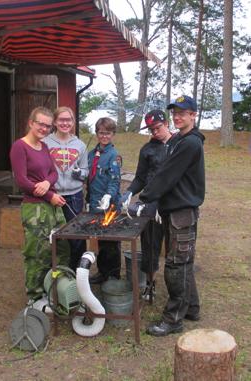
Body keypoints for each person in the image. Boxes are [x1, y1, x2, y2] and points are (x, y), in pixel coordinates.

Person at [123, 95, 205, 337]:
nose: (178, 116)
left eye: (183, 112)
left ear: (193, 115)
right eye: (175, 113)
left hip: (182, 212)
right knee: (184, 263)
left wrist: (143, 201)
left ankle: (173, 320)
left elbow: (166, 175)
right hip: (175, 210)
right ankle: (192, 308)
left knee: (176, 266)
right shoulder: (180, 140)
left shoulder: (190, 143)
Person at [10, 106, 70, 308]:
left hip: (52, 206)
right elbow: (22, 181)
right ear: (31, 123)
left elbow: (53, 173)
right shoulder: (20, 147)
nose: (44, 129)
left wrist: (46, 184)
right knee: (37, 253)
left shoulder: (43, 147)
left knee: (61, 248)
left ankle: (55, 288)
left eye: (47, 125)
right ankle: (34, 297)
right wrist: (50, 193)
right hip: (35, 208)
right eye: (40, 124)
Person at [120, 110, 172, 301]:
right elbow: (141, 178)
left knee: (174, 248)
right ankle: (150, 285)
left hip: (175, 203)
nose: (155, 133)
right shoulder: (147, 150)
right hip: (150, 204)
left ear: (166, 123)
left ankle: (177, 287)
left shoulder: (179, 145)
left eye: (157, 128)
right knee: (150, 246)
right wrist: (129, 193)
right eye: (151, 129)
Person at [43, 106, 88, 270]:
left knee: (77, 236)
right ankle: (53, 271)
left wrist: (79, 173)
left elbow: (85, 172)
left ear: (73, 122)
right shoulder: (45, 143)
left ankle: (77, 272)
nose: (65, 123)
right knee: (51, 234)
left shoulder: (80, 145)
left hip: (74, 196)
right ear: (54, 122)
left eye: (68, 120)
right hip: (51, 196)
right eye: (61, 120)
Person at [87, 117, 121, 284]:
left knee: (112, 243)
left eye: (108, 133)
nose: (104, 136)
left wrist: (108, 195)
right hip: (95, 203)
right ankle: (102, 272)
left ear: (113, 134)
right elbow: (89, 177)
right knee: (99, 239)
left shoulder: (114, 156)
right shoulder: (92, 154)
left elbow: (115, 181)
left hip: (110, 205)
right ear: (97, 133)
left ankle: (114, 276)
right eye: (101, 133)